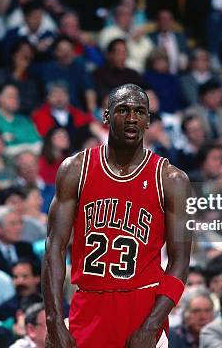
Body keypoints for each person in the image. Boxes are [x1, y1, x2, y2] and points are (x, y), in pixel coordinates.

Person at [43, 84, 192, 347]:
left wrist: (151, 326)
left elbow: (179, 264)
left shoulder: (172, 180)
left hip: (143, 308)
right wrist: (54, 321)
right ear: (106, 116)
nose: (132, 118)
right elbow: (54, 247)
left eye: (140, 112)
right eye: (123, 110)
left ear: (148, 121)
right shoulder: (75, 169)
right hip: (88, 306)